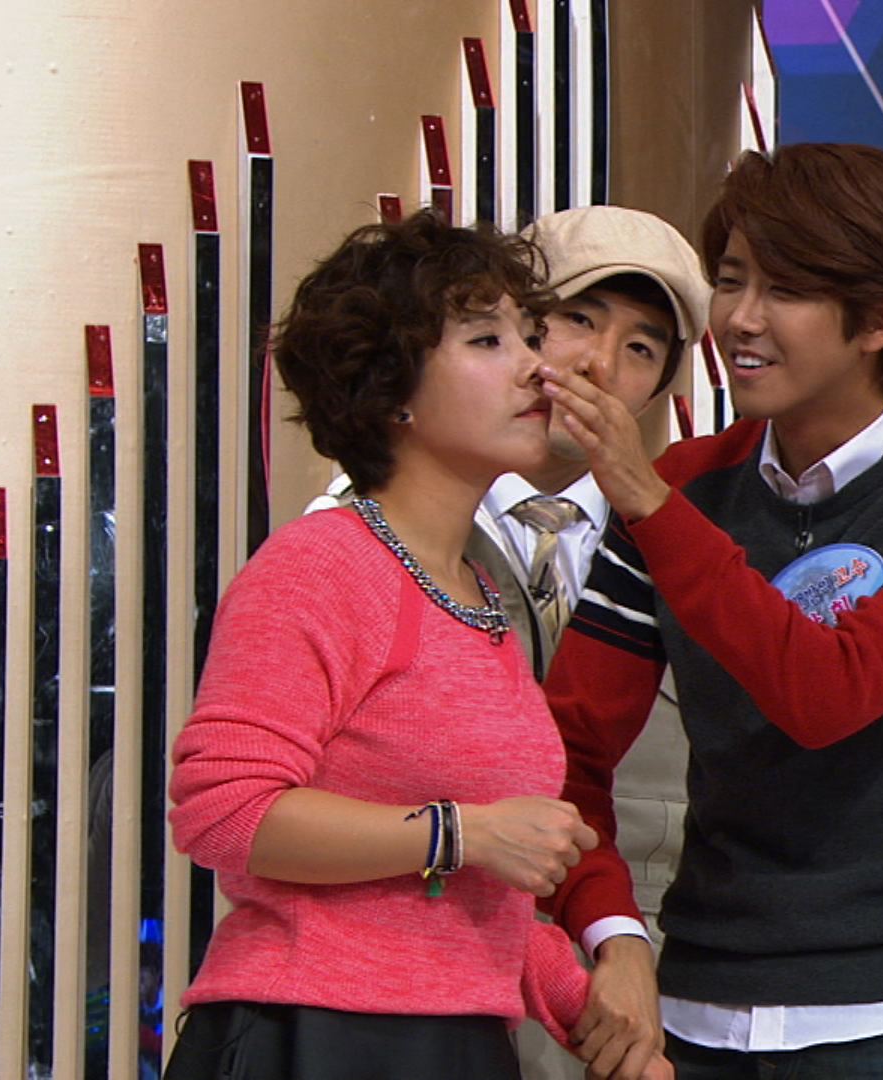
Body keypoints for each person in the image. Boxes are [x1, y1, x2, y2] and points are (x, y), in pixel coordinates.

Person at [538, 143, 883, 1079]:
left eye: (784, 290)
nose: (740, 319)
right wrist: (614, 934)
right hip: (691, 1017)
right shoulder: (686, 484)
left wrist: (649, 502)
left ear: (882, 319)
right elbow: (563, 753)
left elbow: (829, 693)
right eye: (733, 280)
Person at [164, 210, 606, 1079]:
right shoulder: (322, 564)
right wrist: (459, 832)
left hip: (458, 1042)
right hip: (317, 1032)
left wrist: (587, 1006)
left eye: (530, 335)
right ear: (391, 386)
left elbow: (467, 894)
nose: (537, 366)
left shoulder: (477, 593)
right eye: (487, 340)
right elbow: (224, 811)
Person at [301, 204, 709, 1080]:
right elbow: (244, 806)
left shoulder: (685, 542)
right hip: (408, 985)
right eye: (574, 320)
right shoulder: (357, 538)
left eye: (642, 348)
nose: (596, 365)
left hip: (632, 988)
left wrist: (618, 945)